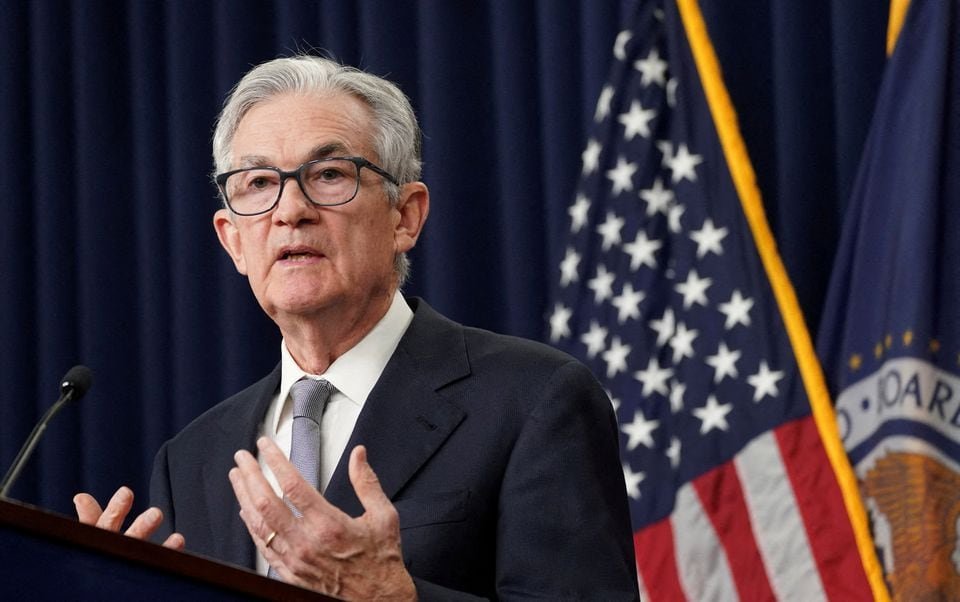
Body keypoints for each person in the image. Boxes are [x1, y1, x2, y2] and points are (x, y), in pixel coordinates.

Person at [73, 55, 638, 600]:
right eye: (258, 184)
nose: (290, 209)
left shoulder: (534, 399)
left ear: (405, 216)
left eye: (329, 174)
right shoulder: (191, 459)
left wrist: (394, 601)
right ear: (231, 239)